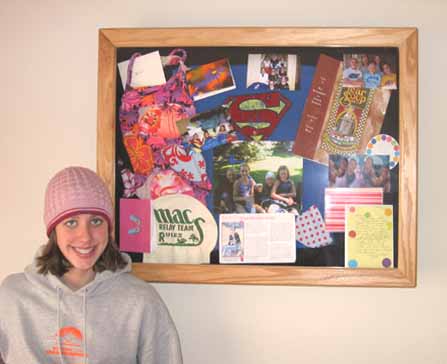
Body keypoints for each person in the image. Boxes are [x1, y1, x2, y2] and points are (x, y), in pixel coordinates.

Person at [0, 166, 182, 363]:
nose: (85, 237)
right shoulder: (12, 296)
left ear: (108, 228)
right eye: (71, 222)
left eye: (96, 221)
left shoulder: (141, 301)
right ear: (54, 231)